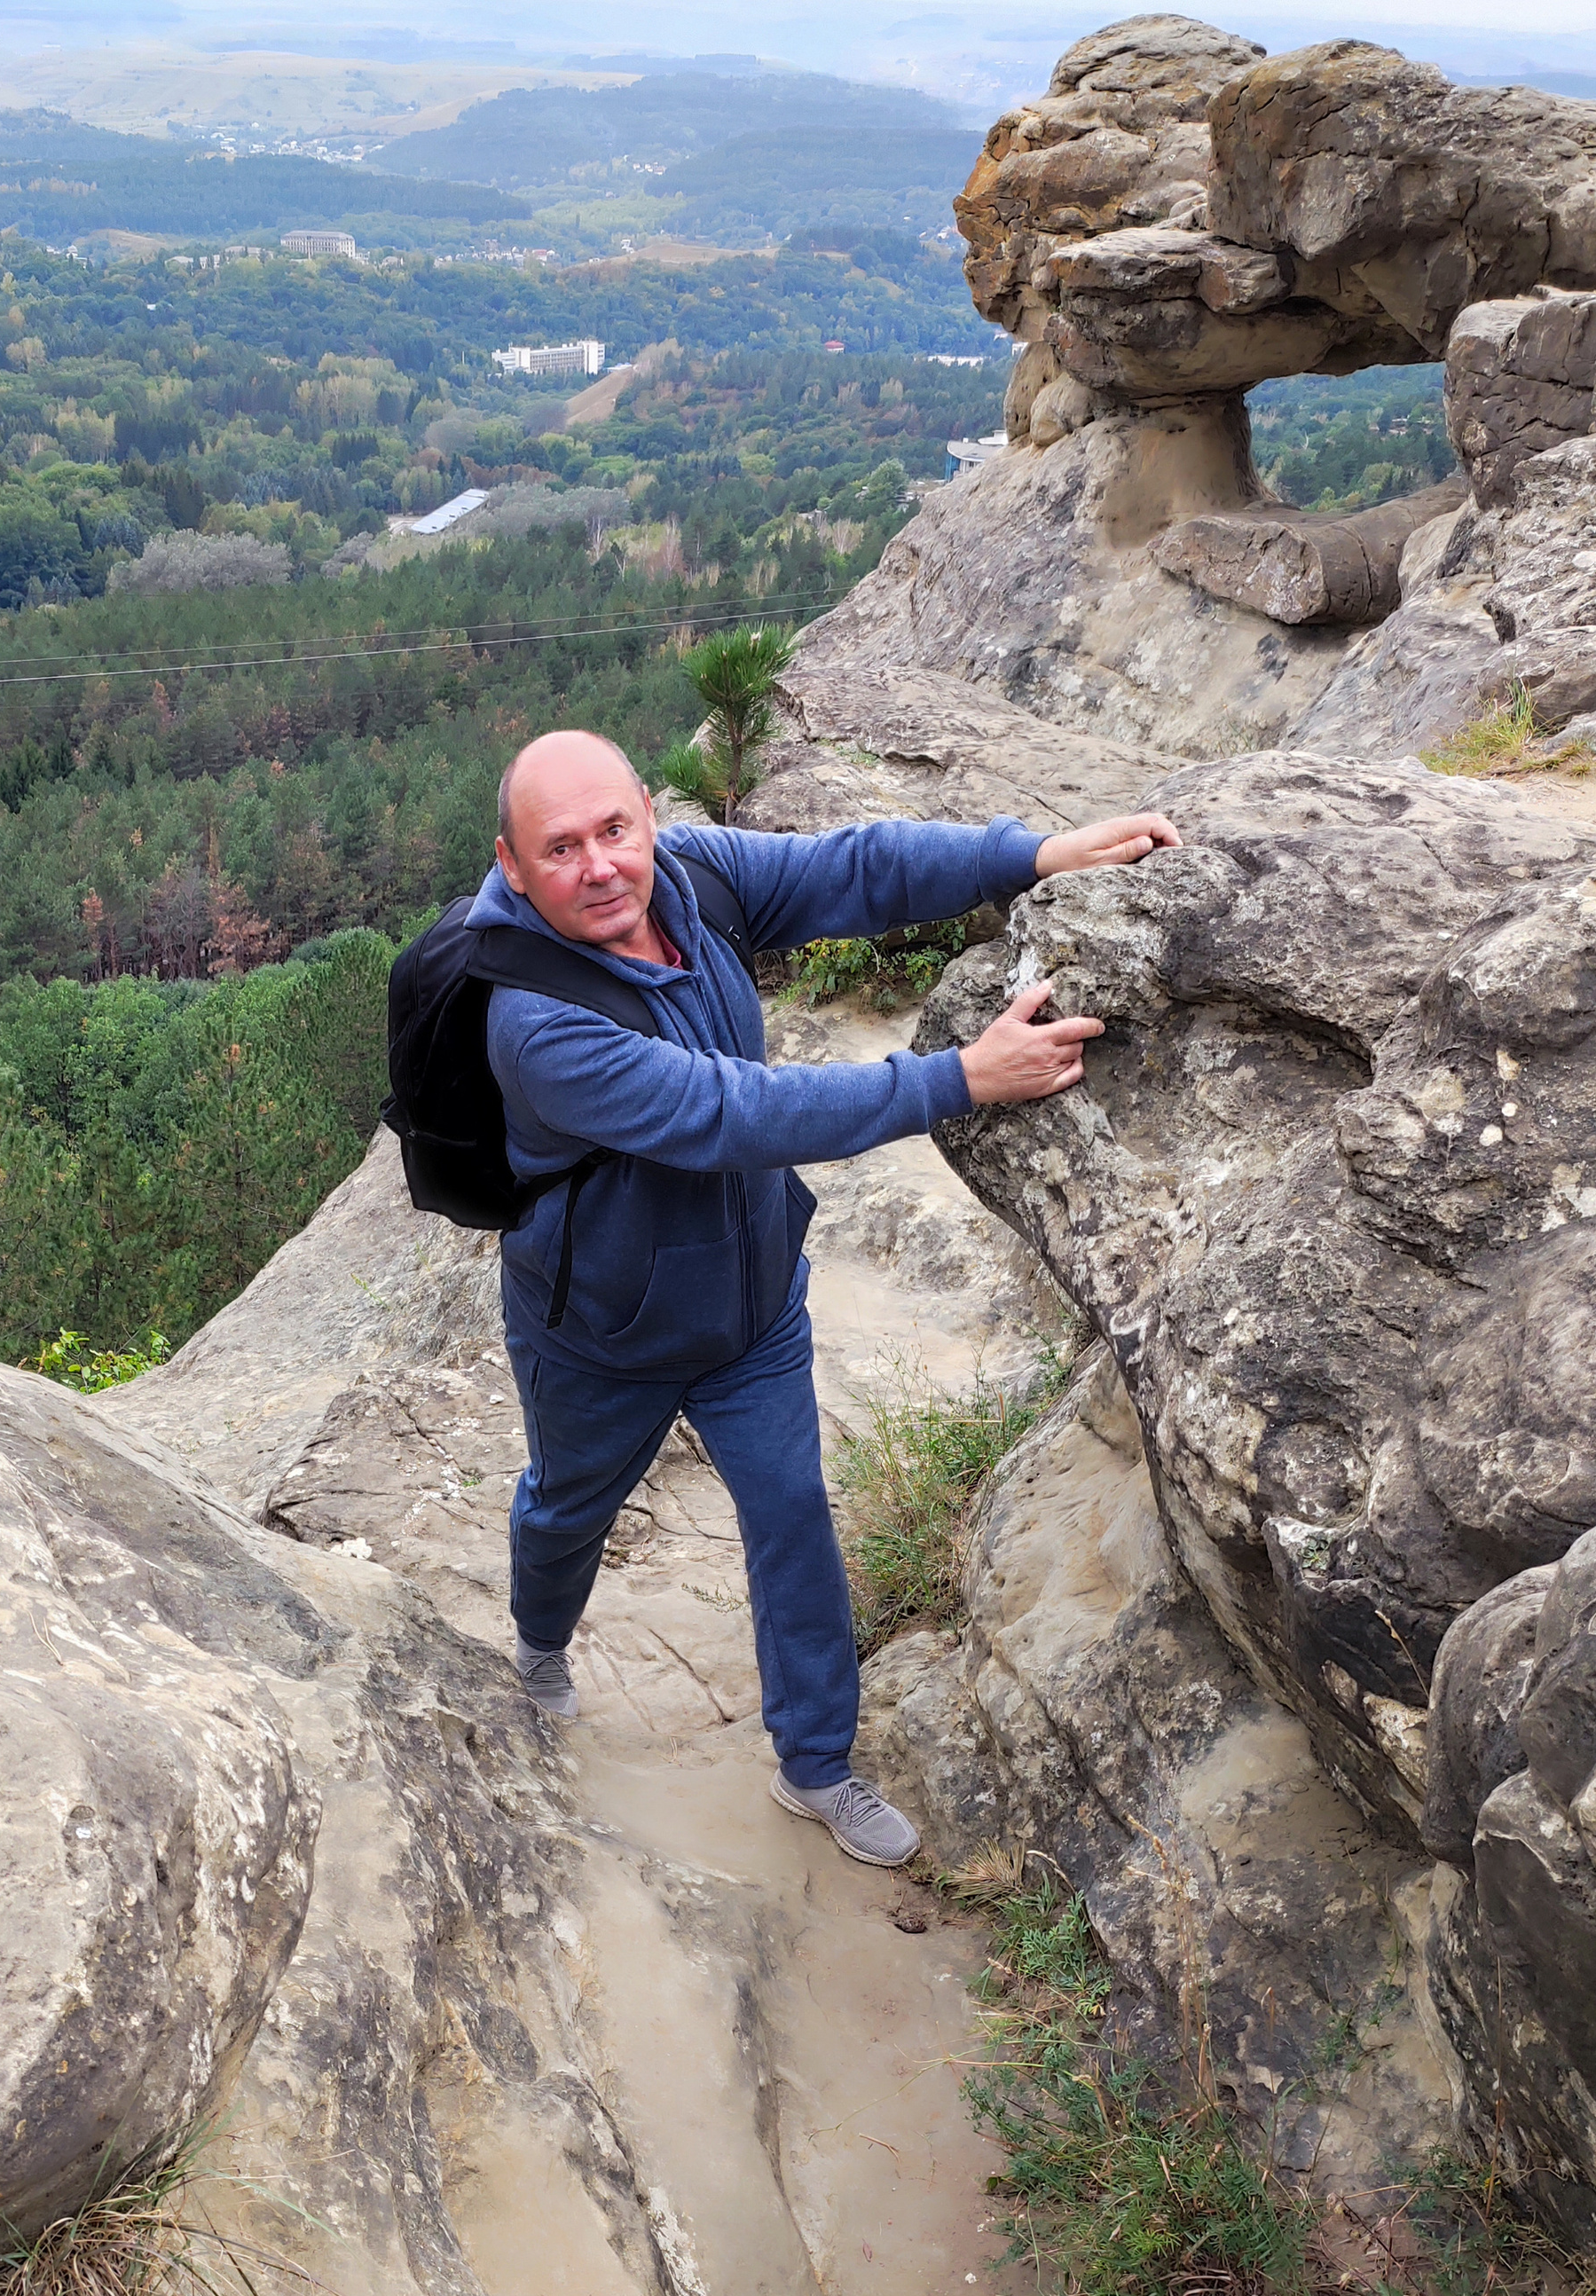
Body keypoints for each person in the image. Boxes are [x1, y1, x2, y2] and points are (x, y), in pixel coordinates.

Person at [476, 727, 1179, 1868]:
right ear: (513, 866)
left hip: (751, 1305)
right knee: (566, 1507)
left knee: (793, 1515)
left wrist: (1037, 855)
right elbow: (731, 1114)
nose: (601, 865)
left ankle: (815, 1765)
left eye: (616, 830)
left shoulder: (691, 874)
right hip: (601, 1332)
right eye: (562, 849)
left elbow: (852, 868)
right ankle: (538, 1645)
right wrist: (958, 1080)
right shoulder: (535, 1020)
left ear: (647, 819)